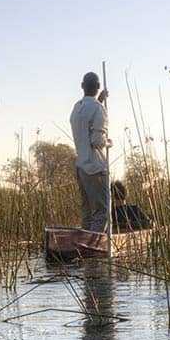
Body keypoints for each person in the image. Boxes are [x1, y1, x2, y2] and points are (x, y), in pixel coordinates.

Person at [69, 72, 110, 232]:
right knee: (101, 213)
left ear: (81, 86)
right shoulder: (99, 109)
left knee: (87, 213)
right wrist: (109, 143)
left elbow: (87, 120)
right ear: (98, 87)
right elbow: (96, 141)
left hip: (81, 167)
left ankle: (82, 242)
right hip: (95, 168)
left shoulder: (77, 107)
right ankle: (95, 248)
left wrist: (99, 99)